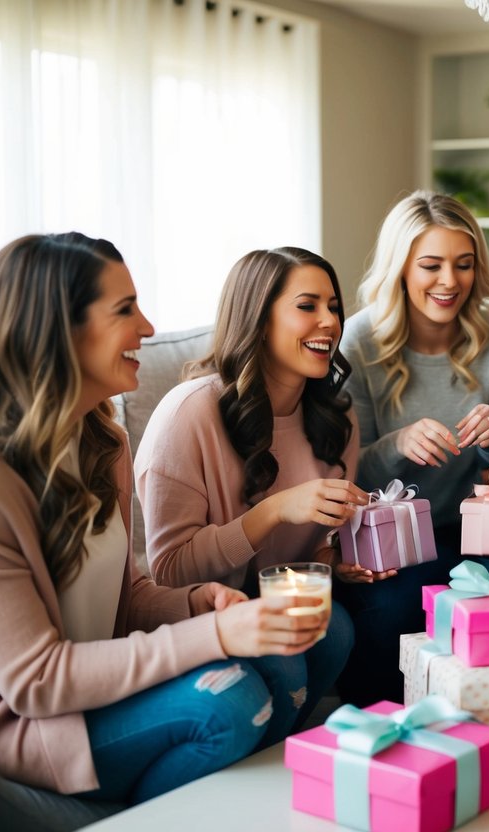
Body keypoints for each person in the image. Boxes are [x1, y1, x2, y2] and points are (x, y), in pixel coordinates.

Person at [0, 233, 327, 805]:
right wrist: (212, 635)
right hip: (31, 720)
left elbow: (124, 597)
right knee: (228, 704)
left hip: (101, 679)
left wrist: (196, 603)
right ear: (58, 328)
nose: (148, 327)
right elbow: (36, 680)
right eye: (124, 310)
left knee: (282, 669)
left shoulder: (101, 439)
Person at [134, 247, 363, 742]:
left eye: (334, 306)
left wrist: (339, 557)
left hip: (280, 603)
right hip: (206, 612)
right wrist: (276, 510)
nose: (329, 321)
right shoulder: (189, 414)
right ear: (259, 321)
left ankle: (279, 761)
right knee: (284, 666)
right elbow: (170, 571)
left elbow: (319, 546)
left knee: (338, 627)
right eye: (307, 306)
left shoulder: (336, 420)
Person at [338, 189, 489, 701]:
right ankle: (382, 734)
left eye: (464, 265)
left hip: (477, 530)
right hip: (395, 539)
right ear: (401, 267)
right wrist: (399, 442)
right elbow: (347, 474)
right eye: (431, 265)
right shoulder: (357, 342)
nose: (450, 282)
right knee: (390, 610)